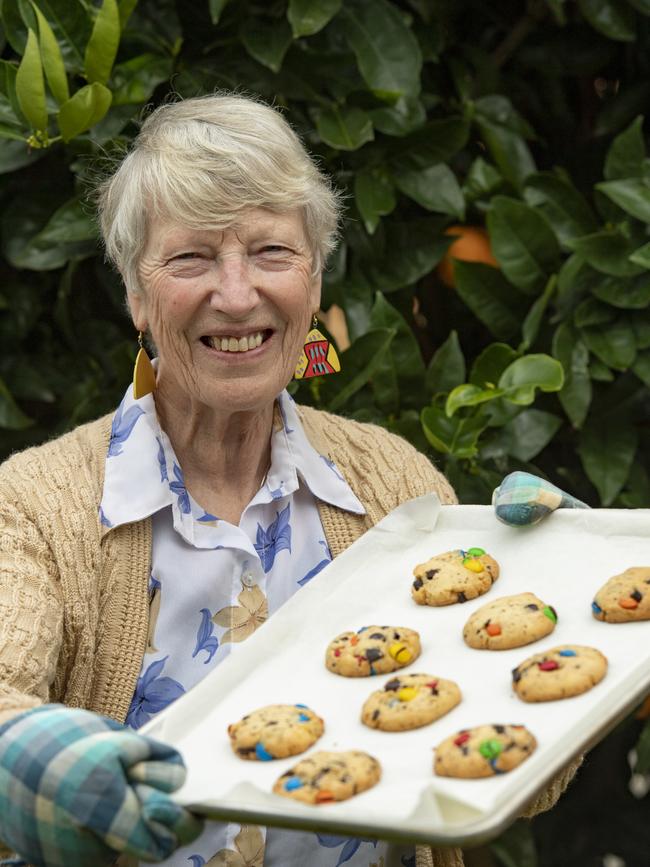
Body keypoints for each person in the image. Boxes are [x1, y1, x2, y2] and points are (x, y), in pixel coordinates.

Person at [0, 94, 578, 867]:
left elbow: (513, 767)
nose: (237, 294)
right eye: (191, 257)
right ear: (136, 294)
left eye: (272, 252)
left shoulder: (395, 482)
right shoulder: (34, 505)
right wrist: (32, 762)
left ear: (312, 285)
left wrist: (571, 604)